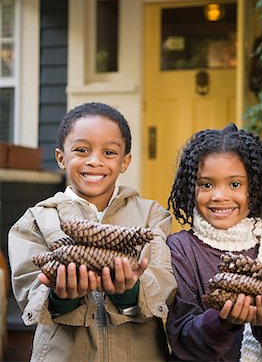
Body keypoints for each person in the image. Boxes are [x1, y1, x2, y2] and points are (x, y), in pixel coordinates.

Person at [8, 102, 177, 362]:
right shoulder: (35, 221)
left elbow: (163, 282)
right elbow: (29, 292)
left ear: (125, 161)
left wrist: (130, 293)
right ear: (61, 158)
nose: (95, 161)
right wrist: (61, 298)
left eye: (109, 152)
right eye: (82, 150)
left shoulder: (151, 217)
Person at [166, 123, 262, 362]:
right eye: (206, 185)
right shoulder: (180, 249)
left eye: (235, 184)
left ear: (256, 187)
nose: (219, 196)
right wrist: (222, 322)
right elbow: (181, 339)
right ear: (191, 188)